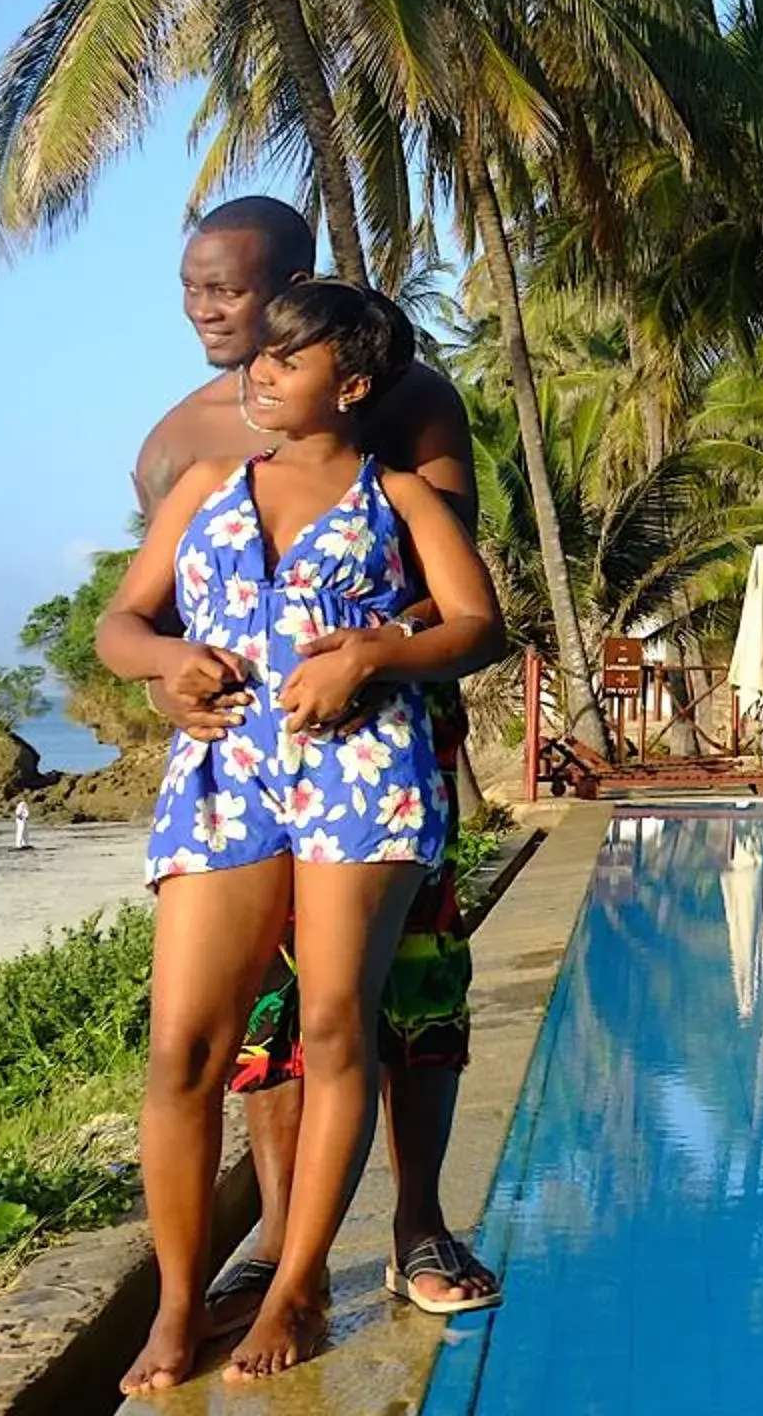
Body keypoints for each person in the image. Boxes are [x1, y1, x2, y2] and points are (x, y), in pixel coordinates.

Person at [99, 280, 504, 1392]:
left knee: (335, 1024)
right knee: (184, 1042)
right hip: (225, 774)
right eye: (259, 355)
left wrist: (372, 655)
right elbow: (122, 619)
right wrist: (164, 665)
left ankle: (297, 1282)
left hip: (362, 775)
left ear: (355, 383)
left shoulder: (406, 497)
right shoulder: (202, 487)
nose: (258, 372)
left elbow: (478, 623)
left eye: (287, 356)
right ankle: (179, 1304)